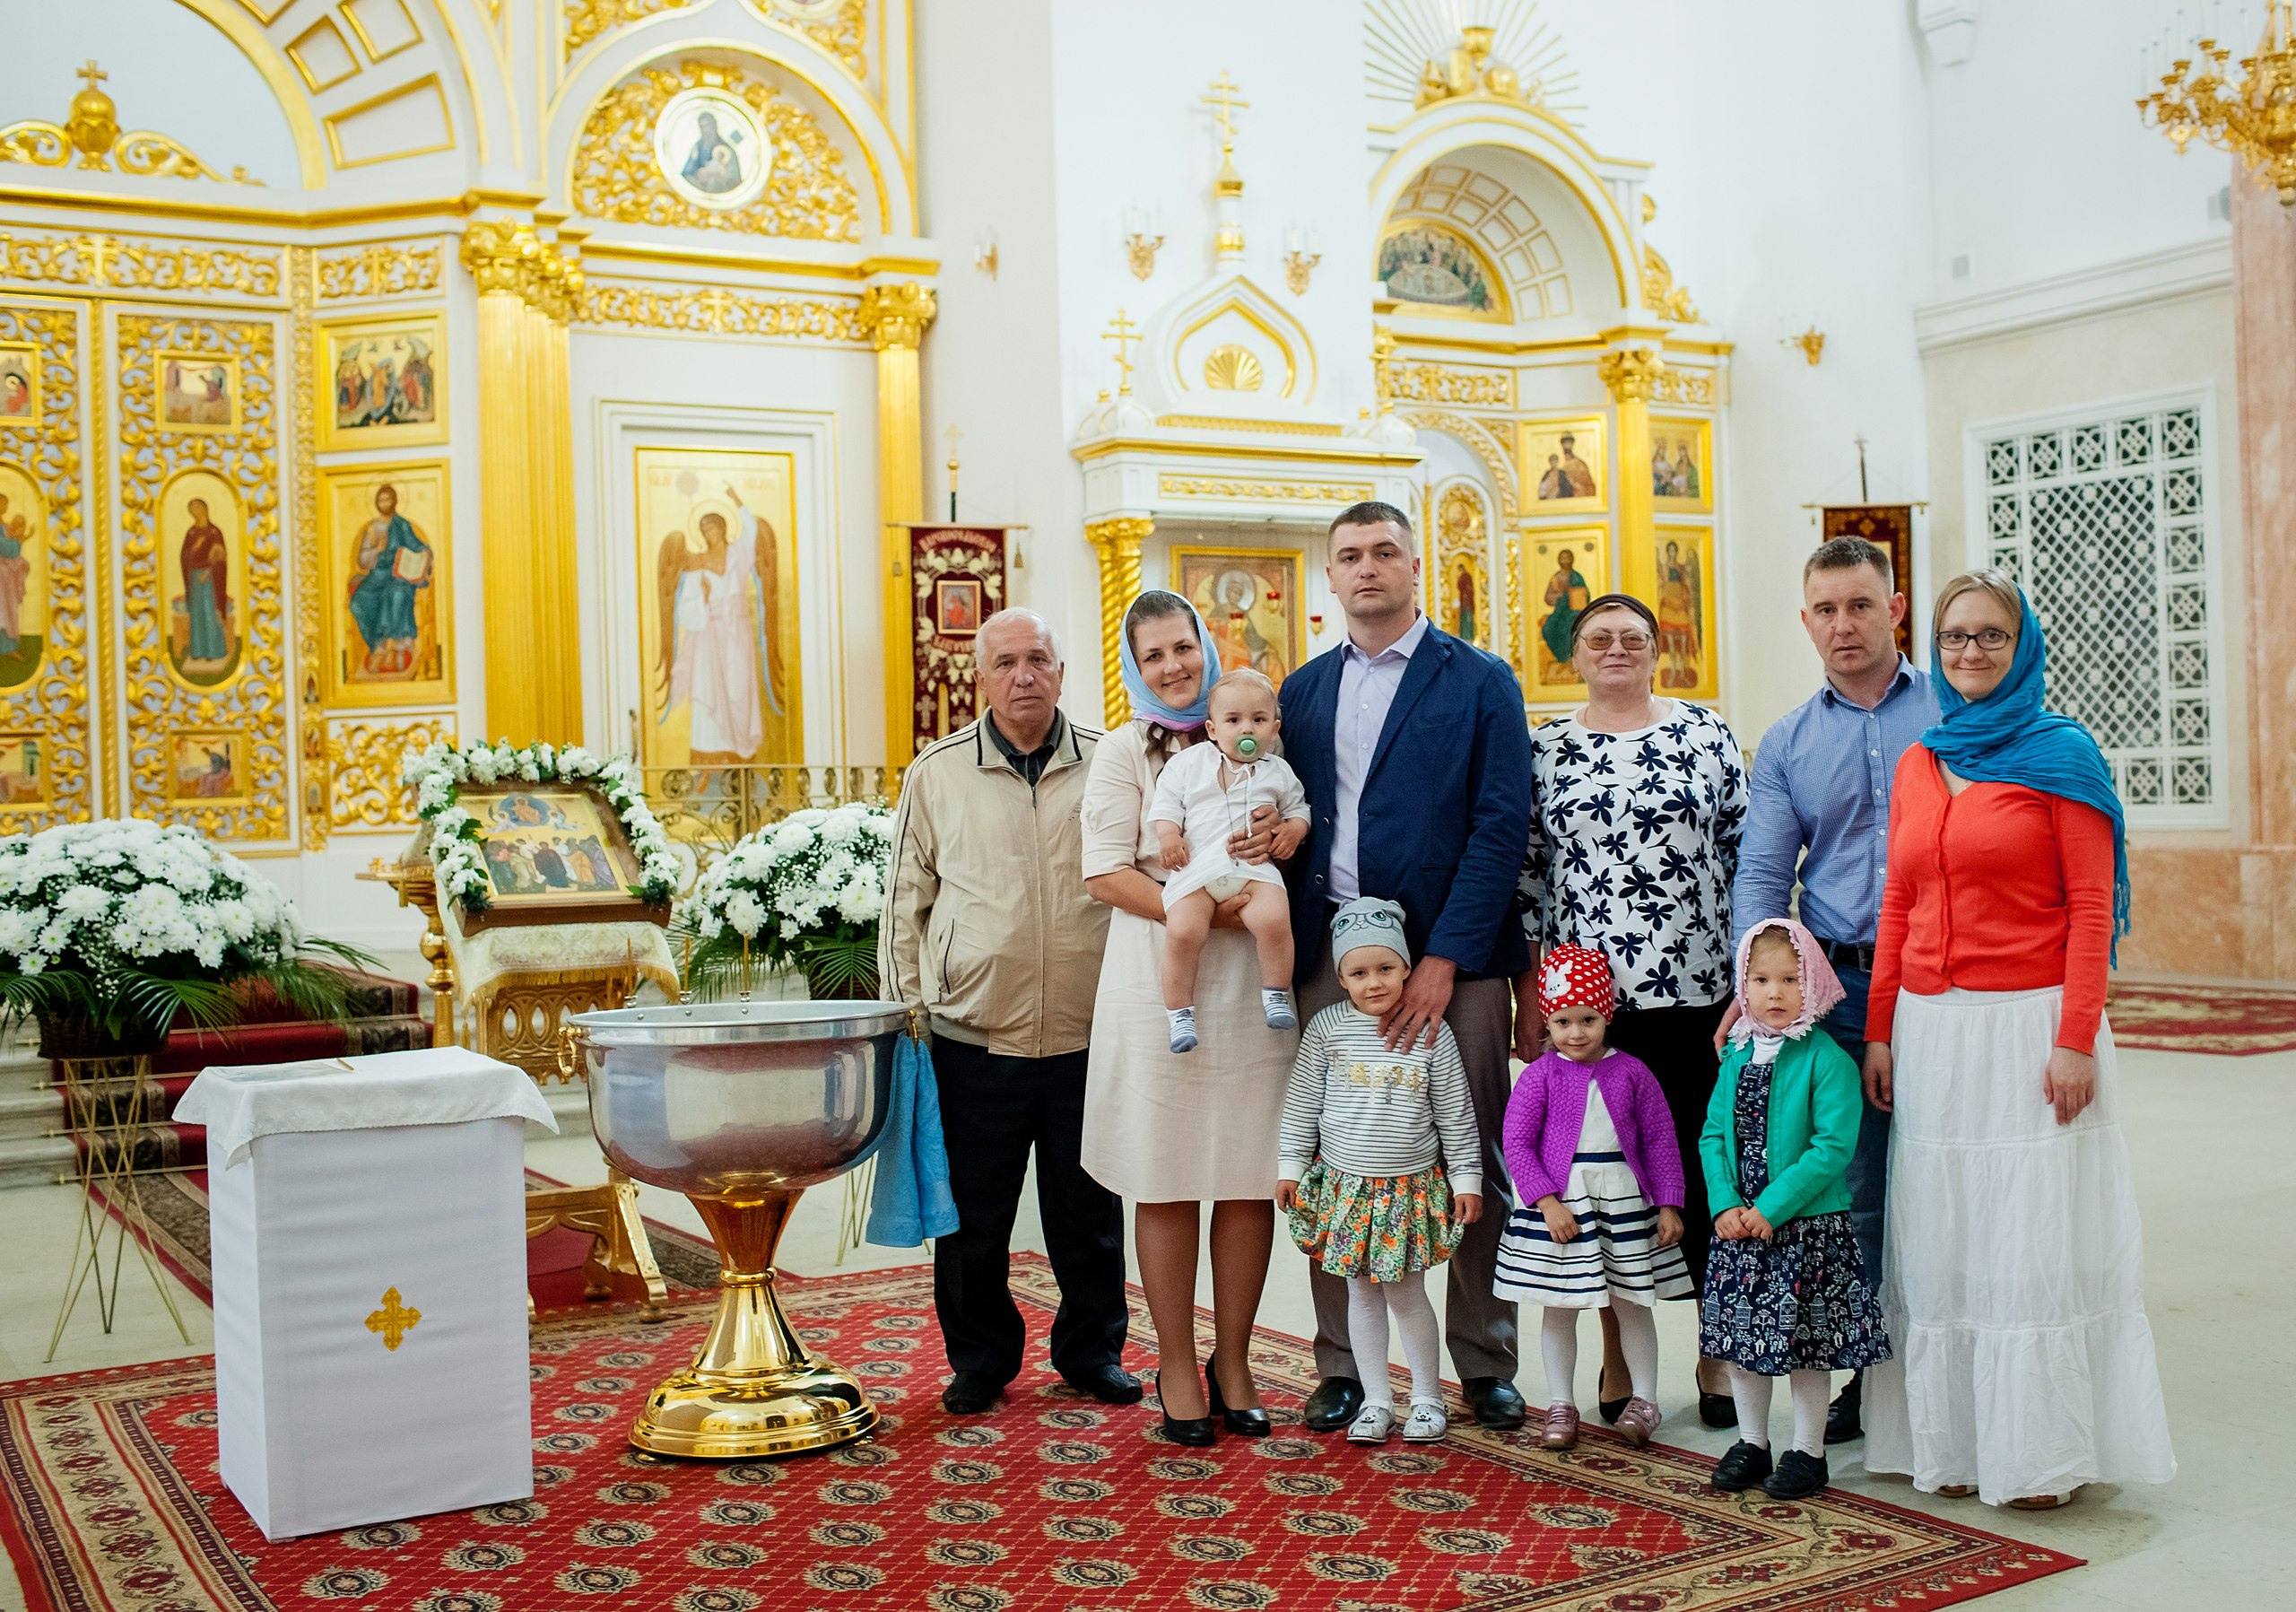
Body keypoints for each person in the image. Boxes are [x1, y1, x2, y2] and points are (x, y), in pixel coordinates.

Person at [1860, 571, 2174, 1510]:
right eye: (1955, 638)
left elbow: (2090, 909)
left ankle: (2037, 1450)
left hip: (2028, 1022)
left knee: (2023, 1237)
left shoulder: (2061, 754)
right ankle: (1954, 1442)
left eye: (1990, 637)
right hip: (1933, 1029)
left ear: (2021, 643)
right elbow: (1898, 899)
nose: (1969, 654)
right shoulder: (1922, 758)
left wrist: (2075, 1036)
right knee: (1946, 1233)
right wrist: (1879, 1028)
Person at [1279, 501, 1534, 1434]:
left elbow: (1501, 825)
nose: (1366, 568)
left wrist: (1446, 958)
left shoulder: (1478, 681)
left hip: (1448, 962)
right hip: (1327, 962)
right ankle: (1344, 1365)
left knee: (1470, 1155)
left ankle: (1483, 1359)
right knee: (1333, 1153)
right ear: (1332, 576)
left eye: (1384, 551)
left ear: (1415, 564)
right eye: (1349, 555)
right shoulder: (1301, 692)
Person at [881, 608, 1137, 1417]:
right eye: (1005, 663)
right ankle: (981, 1359)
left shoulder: (1111, 764)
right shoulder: (938, 772)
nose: (1023, 676)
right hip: (971, 1032)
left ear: (1063, 672)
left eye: (1038, 659)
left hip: (1088, 1030)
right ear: (981, 677)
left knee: (1088, 1211)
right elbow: (903, 904)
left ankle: (1093, 1352)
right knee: (975, 1218)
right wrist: (907, 1018)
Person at [1517, 593, 1747, 1429]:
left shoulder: (1705, 732)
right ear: (1574, 656)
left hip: (1699, 993)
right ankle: (1618, 1355)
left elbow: (1741, 850)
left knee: (1701, 1164)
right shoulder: (1548, 748)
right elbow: (1533, 877)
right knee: (1609, 1180)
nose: (1617, 648)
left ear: (1658, 651)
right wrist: (1531, 997)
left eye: (1633, 638)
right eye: (1599, 638)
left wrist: (1752, 979)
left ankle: (1716, 1351)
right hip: (1589, 1008)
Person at [1727, 535, 1937, 1445]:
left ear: (1894, 608)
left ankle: (1952, 1367)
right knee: (1856, 1187)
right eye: (1824, 609)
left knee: (1957, 1173)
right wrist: (1754, 996)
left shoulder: (1954, 709)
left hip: (1951, 982)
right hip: (1844, 991)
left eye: (1859, 605)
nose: (1842, 625)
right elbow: (1763, 882)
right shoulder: (1786, 742)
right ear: (1804, 620)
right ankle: (1867, 1375)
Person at [1081, 589, 1294, 1442]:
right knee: (1165, 1171)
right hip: (1164, 969)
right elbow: (1103, 871)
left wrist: (1275, 850)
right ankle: (1175, 1358)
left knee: (1248, 1171)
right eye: (1156, 654)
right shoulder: (1125, 751)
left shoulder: (1253, 732)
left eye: (1185, 648)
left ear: (1207, 647)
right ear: (1136, 665)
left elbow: (1291, 831)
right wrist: (1203, 905)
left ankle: (1233, 1356)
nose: (1175, 666)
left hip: (1254, 986)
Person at [1278, 899, 1483, 1446]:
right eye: (1359, 972)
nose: (1374, 983)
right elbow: (1302, 1103)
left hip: (1408, 1191)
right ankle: (1375, 1400)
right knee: (1360, 1296)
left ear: (1407, 969)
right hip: (1346, 1189)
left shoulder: (1429, 1033)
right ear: (1342, 976)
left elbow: (1455, 1111)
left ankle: (1427, 1400)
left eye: (1387, 968)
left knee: (1407, 1296)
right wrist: (1290, 1166)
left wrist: (1466, 1178)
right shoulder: (1327, 1029)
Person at [1700, 919, 1891, 1502]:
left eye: (1790, 978)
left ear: (1815, 984)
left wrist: (1773, 1207)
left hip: (1807, 1232)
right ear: (1743, 985)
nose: (1775, 993)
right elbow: (1712, 1133)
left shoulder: (1826, 1059)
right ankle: (1752, 1440)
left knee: (1808, 1347)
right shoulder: (1736, 1057)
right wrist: (1726, 1202)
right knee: (1743, 1344)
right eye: (1761, 979)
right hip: (1741, 1232)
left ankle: (1809, 1451)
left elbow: (1832, 1147)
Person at [1494, 944, 1691, 1453]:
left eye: (1587, 1019)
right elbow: (1516, 1141)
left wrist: (1668, 1203)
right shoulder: (1539, 1075)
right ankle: (1561, 1403)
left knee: (1633, 1302)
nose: (1575, 1032)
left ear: (1607, 1015)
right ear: (1546, 1023)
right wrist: (1546, 1201)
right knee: (1559, 1307)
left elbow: (1660, 1138)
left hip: (1626, 1205)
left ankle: (1644, 1400)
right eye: (1562, 1021)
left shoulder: (1633, 1073)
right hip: (1564, 1209)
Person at [1150, 667, 1310, 1051]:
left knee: (1274, 920)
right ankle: (1180, 1015)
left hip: (1252, 871)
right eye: (1233, 720)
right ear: (1212, 729)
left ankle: (1274, 993)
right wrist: (1169, 835)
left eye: (1258, 720)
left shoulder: (1278, 771)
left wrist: (1294, 830)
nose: (1246, 730)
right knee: (1184, 932)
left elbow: (1298, 808)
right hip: (1199, 869)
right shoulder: (1189, 764)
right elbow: (1167, 804)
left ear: (1274, 729)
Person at [346, 484, 431, 677]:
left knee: (396, 594)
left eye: (388, 499)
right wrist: (377, 549)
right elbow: (362, 561)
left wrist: (424, 554)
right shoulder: (371, 528)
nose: (384, 503)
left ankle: (397, 647)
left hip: (398, 575)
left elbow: (417, 546)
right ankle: (377, 645)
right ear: (376, 503)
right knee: (359, 601)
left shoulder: (402, 525)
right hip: (377, 576)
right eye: (381, 500)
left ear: (394, 501)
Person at [178, 498, 230, 673]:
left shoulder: (214, 532)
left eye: (198, 509)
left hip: (210, 579)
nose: (195, 512)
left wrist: (208, 572)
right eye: (192, 510)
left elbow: (220, 558)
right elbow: (184, 555)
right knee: (197, 614)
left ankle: (214, 651)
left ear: (205, 510)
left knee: (210, 612)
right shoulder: (192, 533)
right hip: (194, 577)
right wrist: (193, 550)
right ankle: (198, 650)